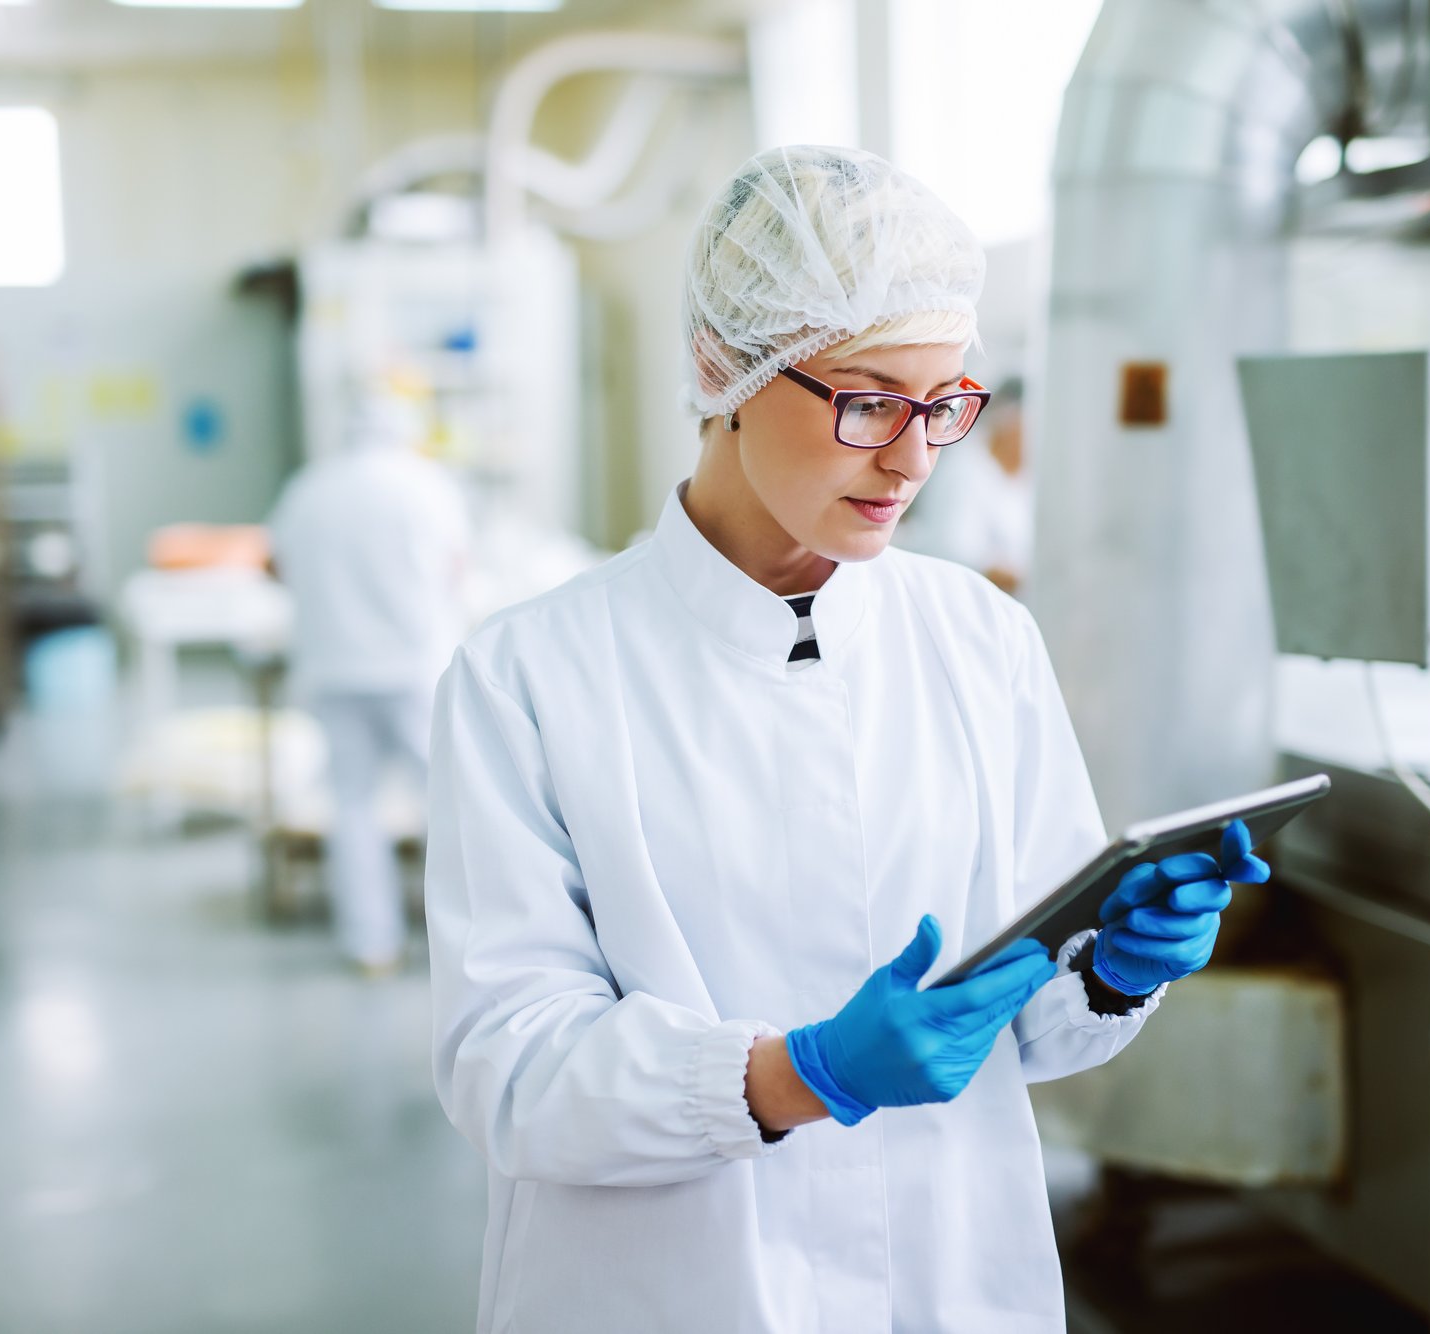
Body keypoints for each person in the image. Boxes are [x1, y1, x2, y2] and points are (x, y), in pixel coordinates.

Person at [425, 146, 1270, 1333]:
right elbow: (506, 1070)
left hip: (950, 1278)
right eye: (869, 400)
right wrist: (790, 1076)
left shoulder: (978, 637)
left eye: (945, 405)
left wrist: (1110, 964)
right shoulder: (530, 676)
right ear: (725, 367)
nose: (913, 455)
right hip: (668, 1292)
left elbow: (1027, 1028)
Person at [267, 388, 471, 974]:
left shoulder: (309, 488)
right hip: (412, 668)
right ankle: (457, 948)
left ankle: (371, 945)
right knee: (446, 804)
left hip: (334, 666)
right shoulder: (426, 486)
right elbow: (456, 568)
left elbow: (275, 562)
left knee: (352, 804)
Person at [915, 375, 1033, 595]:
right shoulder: (965, 470)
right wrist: (1032, 577)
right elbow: (956, 552)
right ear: (1011, 422)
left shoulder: (1023, 477)